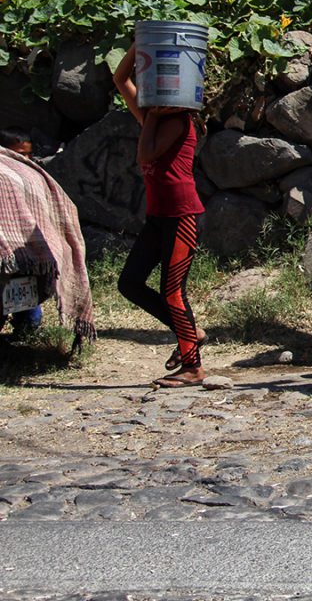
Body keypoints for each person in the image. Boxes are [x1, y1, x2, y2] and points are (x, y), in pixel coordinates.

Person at [112, 46, 207, 388]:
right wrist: (140, 46)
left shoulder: (178, 120)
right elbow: (119, 78)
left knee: (172, 291)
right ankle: (190, 332)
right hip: (158, 216)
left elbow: (145, 154)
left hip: (182, 215)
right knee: (130, 283)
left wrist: (149, 115)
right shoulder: (155, 116)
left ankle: (193, 367)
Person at [0, 127, 42, 335]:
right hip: (4, 256)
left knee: (30, 319)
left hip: (27, 255)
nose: (25, 158)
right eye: (19, 153)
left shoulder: (33, 177)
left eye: (28, 154)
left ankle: (23, 338)